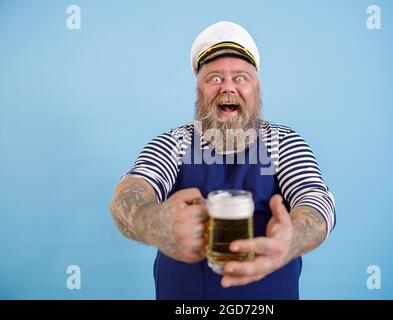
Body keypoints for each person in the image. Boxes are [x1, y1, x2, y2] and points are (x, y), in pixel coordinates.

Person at [109, 21, 336, 300]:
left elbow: (314, 197)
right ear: (199, 91)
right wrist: (151, 221)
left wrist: (293, 238)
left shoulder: (283, 142)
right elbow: (133, 189)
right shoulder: (174, 143)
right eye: (214, 78)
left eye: (241, 78)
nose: (228, 87)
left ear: (256, 89)